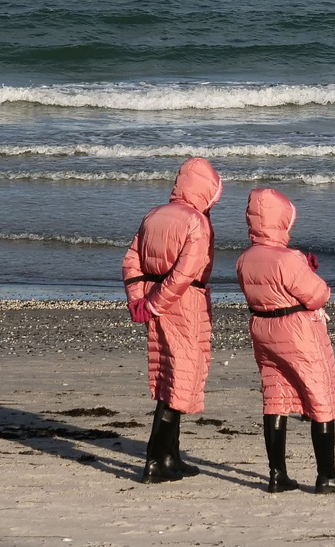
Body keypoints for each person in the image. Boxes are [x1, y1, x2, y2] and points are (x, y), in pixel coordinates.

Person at [235, 187, 335, 494]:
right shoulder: (288, 258)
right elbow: (319, 294)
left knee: (274, 397)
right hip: (297, 330)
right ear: (281, 221)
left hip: (262, 329)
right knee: (321, 398)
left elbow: (266, 290)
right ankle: (327, 474)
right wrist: (306, 269)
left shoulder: (245, 259)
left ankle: (277, 474)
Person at [122, 157, 223, 484]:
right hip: (183, 302)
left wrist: (139, 299)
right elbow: (184, 274)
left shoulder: (153, 215)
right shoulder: (197, 223)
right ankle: (155, 460)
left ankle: (171, 455)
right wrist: (152, 304)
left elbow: (131, 260)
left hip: (158, 296)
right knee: (180, 376)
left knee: (171, 373)